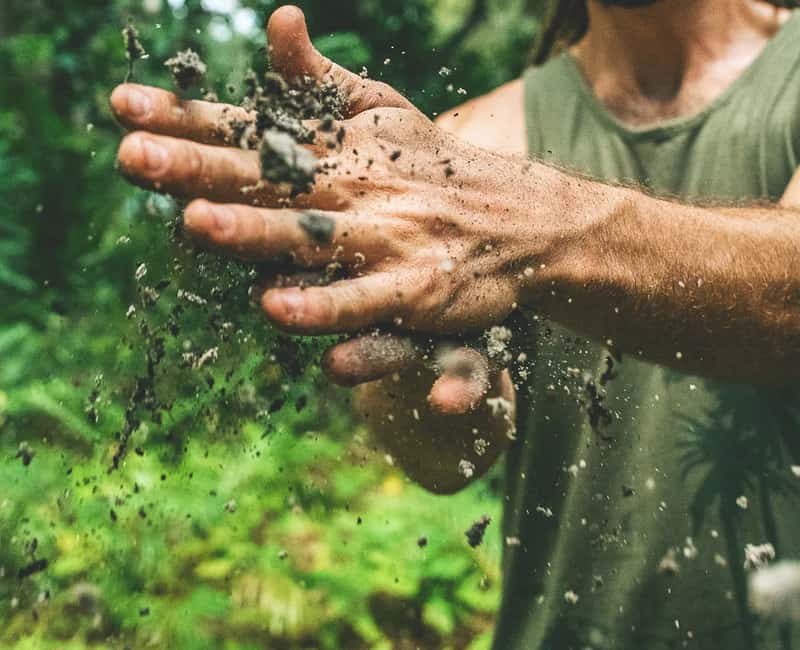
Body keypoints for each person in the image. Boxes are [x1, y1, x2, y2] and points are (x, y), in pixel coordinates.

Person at [110, 1, 800, 647]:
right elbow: (442, 458)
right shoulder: (472, 149)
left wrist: (544, 228)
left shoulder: (479, 185)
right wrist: (424, 353)